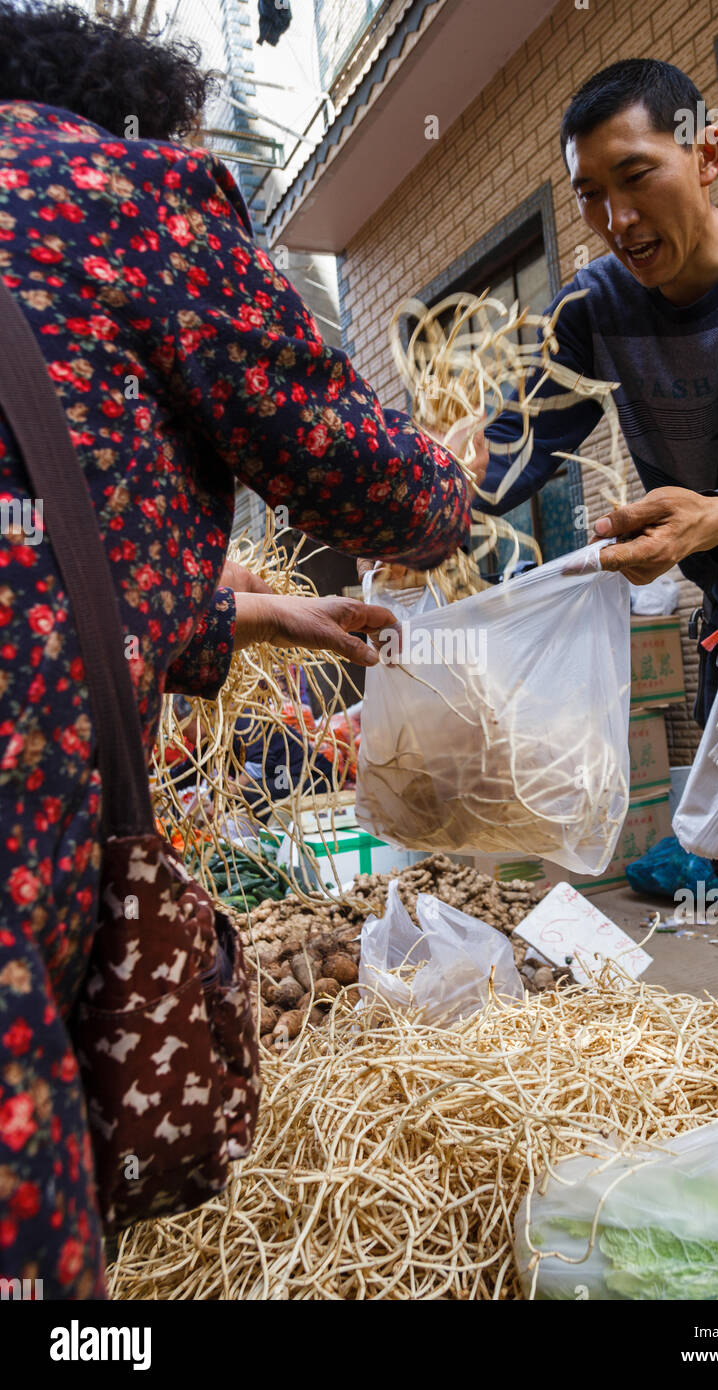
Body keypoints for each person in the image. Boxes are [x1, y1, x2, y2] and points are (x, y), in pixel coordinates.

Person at [0, 3, 470, 1299]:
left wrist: (252, 613)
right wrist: (456, 475)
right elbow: (381, 491)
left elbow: (41, 539)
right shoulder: (122, 189)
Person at [471, 59, 718, 1072]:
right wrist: (403, 503)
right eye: (588, 195)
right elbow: (513, 452)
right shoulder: (594, 307)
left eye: (634, 175)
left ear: (705, 153)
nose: (616, 217)